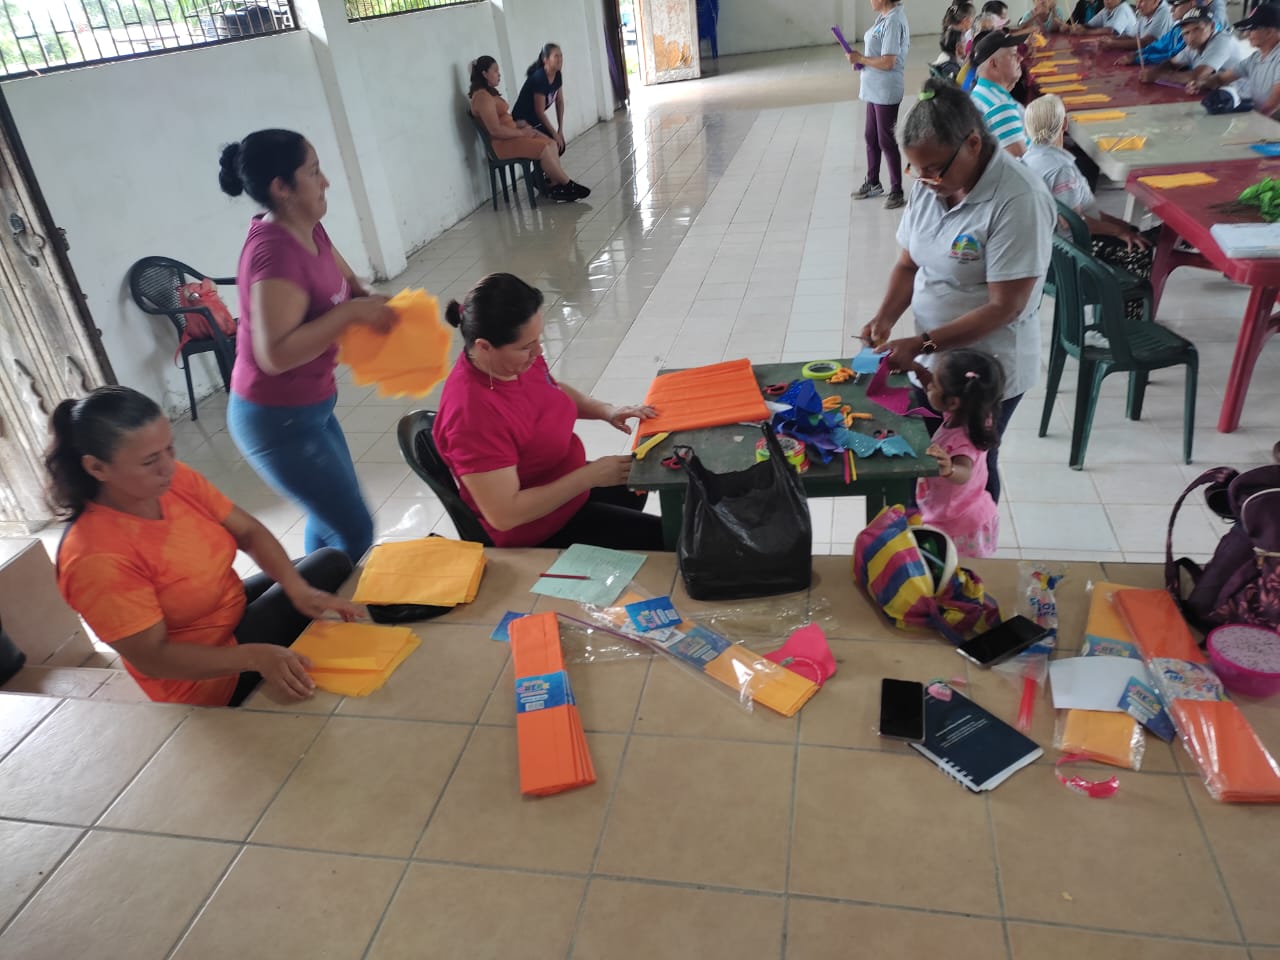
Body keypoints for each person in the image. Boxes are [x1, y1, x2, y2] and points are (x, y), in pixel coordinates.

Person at [47, 387, 360, 707]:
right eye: (150, 461)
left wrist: (296, 589)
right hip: (201, 678)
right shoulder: (94, 558)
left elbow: (249, 532)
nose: (168, 466)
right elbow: (153, 658)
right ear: (97, 468)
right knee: (324, 577)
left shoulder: (171, 481)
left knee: (329, 564)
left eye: (169, 449)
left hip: (228, 612)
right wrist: (255, 656)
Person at [862, 80, 1054, 504]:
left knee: (971, 463)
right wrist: (884, 318)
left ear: (972, 143)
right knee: (927, 456)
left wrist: (922, 343)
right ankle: (929, 529)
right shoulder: (932, 185)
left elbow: (1005, 307)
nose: (924, 180)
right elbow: (908, 263)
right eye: (916, 169)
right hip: (932, 359)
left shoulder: (1018, 198)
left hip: (984, 369)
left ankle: (973, 534)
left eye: (934, 169)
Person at [219, 129, 394, 565]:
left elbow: (349, 282)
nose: (325, 181)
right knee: (354, 527)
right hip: (275, 418)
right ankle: (321, 597)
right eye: (314, 172)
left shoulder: (309, 228)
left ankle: (316, 595)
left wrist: (371, 301)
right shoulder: (274, 254)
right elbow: (275, 355)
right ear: (282, 187)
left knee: (332, 515)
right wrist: (351, 315)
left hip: (311, 405)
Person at [433, 273, 664, 550]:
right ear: (484, 347)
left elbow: (551, 390)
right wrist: (590, 477)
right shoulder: (472, 416)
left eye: (538, 339)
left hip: (564, 484)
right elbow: (505, 515)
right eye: (526, 346)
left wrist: (607, 411)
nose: (538, 351)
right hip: (534, 529)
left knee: (638, 487)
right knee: (668, 546)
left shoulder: (510, 363)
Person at [1021, 94, 1156, 319]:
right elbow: (1074, 222)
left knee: (1133, 233)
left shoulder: (1032, 158)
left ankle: (1111, 316)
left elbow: (1084, 209)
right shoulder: (1060, 169)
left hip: (1050, 247)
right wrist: (1118, 231)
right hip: (1068, 252)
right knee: (1138, 251)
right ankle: (1125, 323)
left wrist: (1121, 226)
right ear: (1064, 124)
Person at [916, 349, 1005, 558]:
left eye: (934, 384)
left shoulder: (962, 441)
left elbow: (964, 471)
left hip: (959, 525)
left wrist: (950, 468)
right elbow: (937, 391)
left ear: (953, 402)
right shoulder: (971, 413)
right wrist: (916, 370)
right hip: (962, 508)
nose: (929, 385)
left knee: (959, 571)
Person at [469, 56, 589, 202]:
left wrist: (520, 126)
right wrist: (521, 132)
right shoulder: (482, 97)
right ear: (484, 74)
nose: (499, 74)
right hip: (502, 144)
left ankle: (555, 185)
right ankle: (568, 184)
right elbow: (495, 130)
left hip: (512, 136)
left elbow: (503, 121)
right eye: (495, 71)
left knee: (551, 143)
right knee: (544, 148)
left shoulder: (489, 94)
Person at [849, 0, 911, 209]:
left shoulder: (893, 21)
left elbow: (888, 62)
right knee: (871, 136)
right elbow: (877, 54)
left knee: (886, 140)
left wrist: (862, 59)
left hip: (886, 89)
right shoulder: (883, 18)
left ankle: (897, 191)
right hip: (874, 88)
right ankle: (873, 182)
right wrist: (861, 61)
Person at [1196, 3, 1280, 116]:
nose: (1246, 34)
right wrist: (1202, 83)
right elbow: (1221, 79)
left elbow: (1273, 105)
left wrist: (1252, 122)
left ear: (1269, 32)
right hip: (1261, 118)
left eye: (1251, 29)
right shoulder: (1256, 57)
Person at [1141, 6, 1242, 85]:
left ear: (1212, 26)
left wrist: (1159, 76)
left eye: (1197, 29)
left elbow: (1198, 76)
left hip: (1242, 99)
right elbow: (1172, 63)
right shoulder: (1193, 44)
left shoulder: (1223, 41)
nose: (1191, 37)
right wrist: (1155, 71)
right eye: (1186, 33)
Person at [970, 30, 1030, 156]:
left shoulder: (979, 92)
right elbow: (1021, 162)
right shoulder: (1001, 107)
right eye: (1013, 55)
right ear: (994, 65)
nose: (1020, 58)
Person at [512, 43, 568, 155]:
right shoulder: (540, 78)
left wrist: (560, 130)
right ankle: (543, 166)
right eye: (556, 56)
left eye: (561, 56)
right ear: (545, 60)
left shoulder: (557, 75)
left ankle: (544, 166)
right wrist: (554, 134)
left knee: (560, 146)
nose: (560, 59)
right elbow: (540, 112)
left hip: (535, 120)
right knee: (553, 144)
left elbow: (559, 102)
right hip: (522, 121)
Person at [1115, 0, 1194, 63]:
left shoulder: (1192, 32)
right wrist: (1137, 54)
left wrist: (1139, 59)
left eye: (1176, 5)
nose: (1172, 10)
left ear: (1192, 3)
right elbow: (1159, 45)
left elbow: (1173, 56)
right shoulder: (1177, 29)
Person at [1099, 0, 1174, 48]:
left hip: (1162, 64)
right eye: (1137, 1)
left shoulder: (1165, 12)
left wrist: (1113, 43)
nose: (1137, 6)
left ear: (1156, 1)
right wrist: (1110, 39)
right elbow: (1132, 36)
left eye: (1142, 1)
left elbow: (1147, 42)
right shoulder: (1145, 11)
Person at [936, 2, 976, 79]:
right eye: (964, 41)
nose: (967, 44)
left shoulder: (946, 57)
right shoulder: (952, 68)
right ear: (958, 47)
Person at [1069, 0, 1140, 36]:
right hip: (1114, 46)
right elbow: (1090, 25)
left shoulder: (1123, 8)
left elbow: (1112, 31)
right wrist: (1077, 27)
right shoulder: (1106, 10)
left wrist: (1086, 32)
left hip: (1129, 49)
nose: (1108, 1)